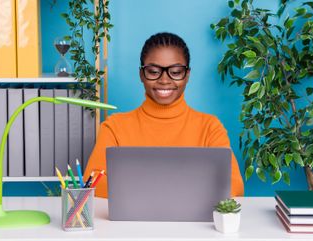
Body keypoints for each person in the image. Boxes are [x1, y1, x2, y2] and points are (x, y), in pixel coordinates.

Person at [83, 32, 244, 197]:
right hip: (133, 222)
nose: (164, 80)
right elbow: (92, 181)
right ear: (141, 75)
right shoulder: (114, 127)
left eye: (175, 71)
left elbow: (234, 184)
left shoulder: (210, 127)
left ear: (187, 75)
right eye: (153, 72)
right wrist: (178, 191)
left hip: (193, 222)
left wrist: (146, 190)